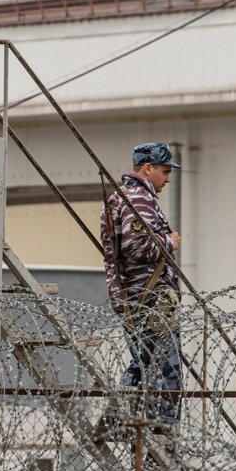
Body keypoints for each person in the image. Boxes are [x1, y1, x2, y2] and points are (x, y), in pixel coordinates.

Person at [99, 142, 183, 436]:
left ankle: (120, 417)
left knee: (144, 361)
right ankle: (162, 434)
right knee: (168, 365)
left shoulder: (121, 199)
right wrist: (170, 241)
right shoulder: (139, 199)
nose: (168, 178)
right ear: (147, 169)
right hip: (149, 297)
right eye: (164, 171)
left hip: (133, 296)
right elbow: (136, 246)